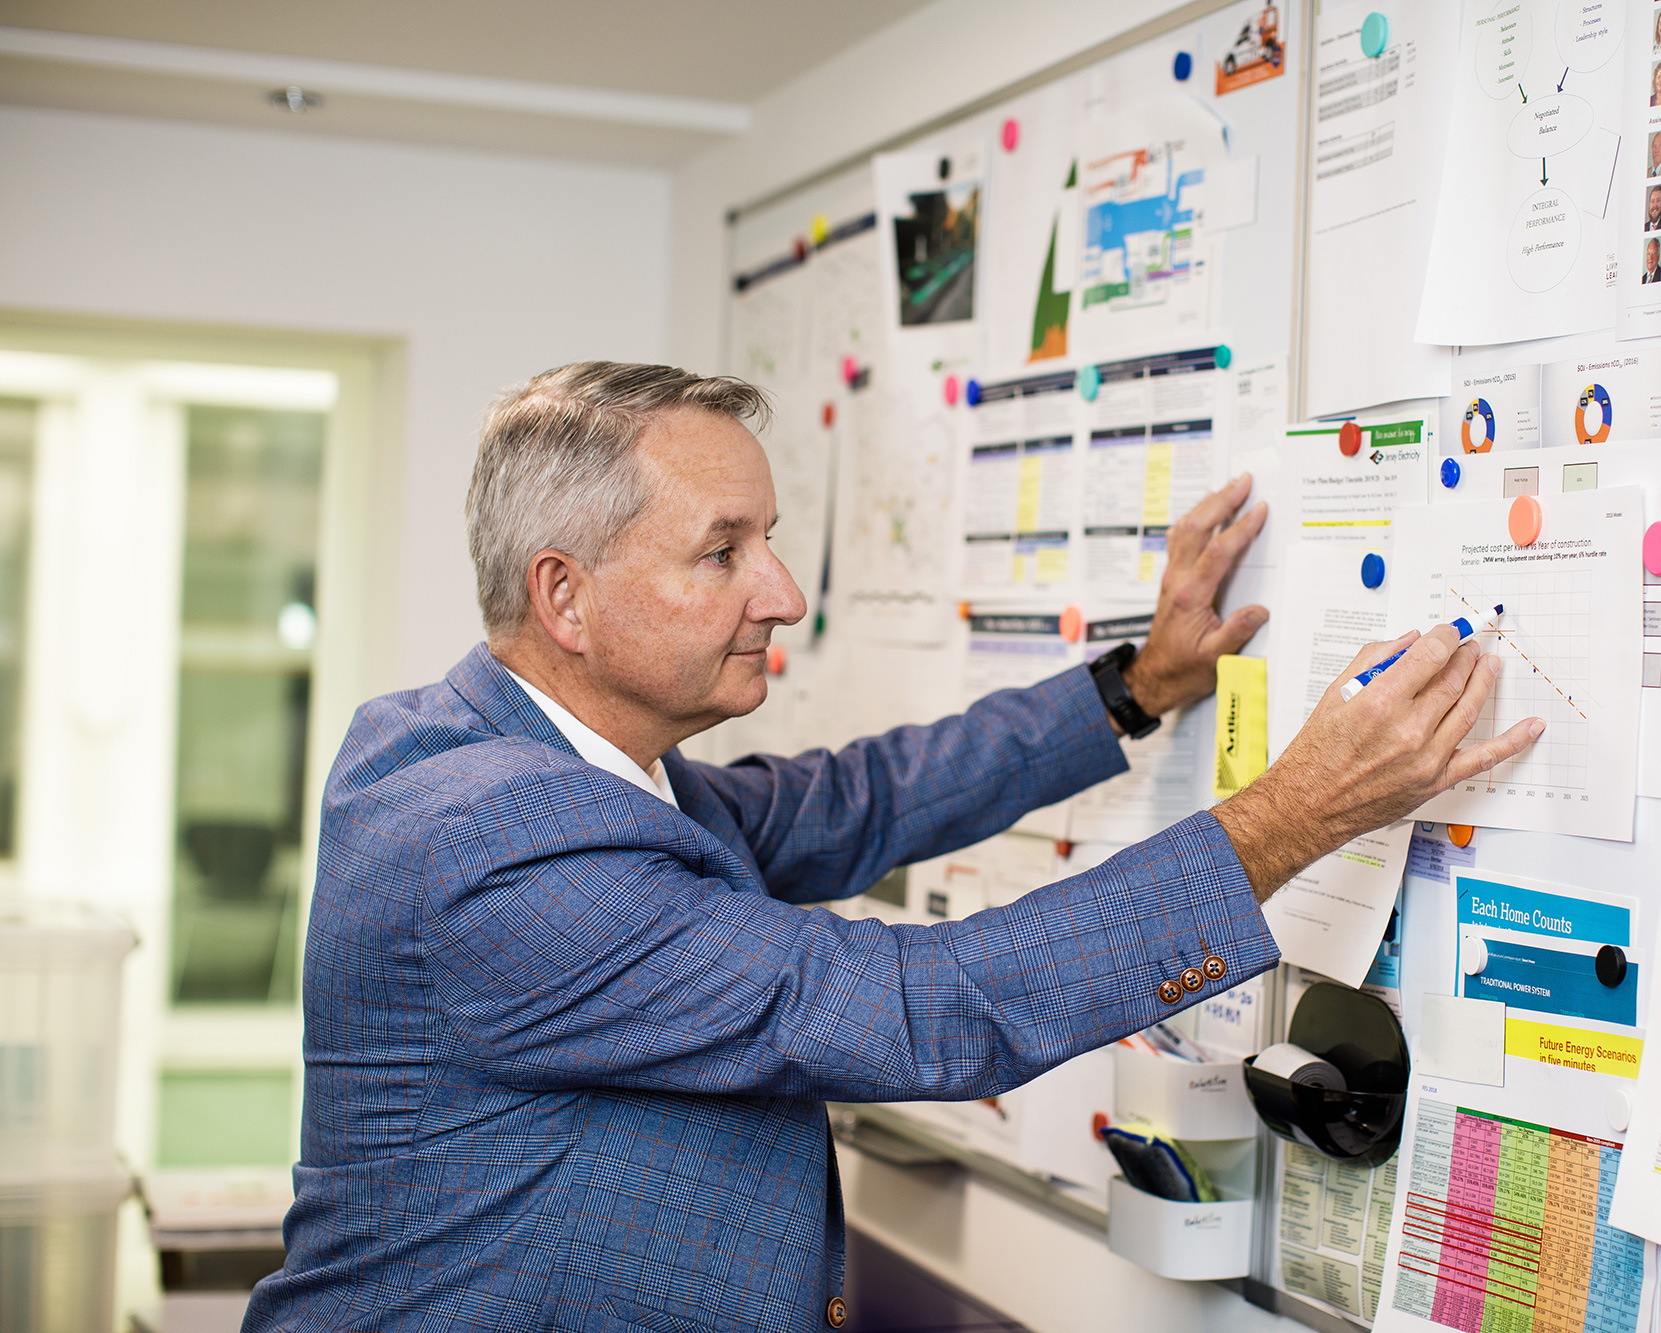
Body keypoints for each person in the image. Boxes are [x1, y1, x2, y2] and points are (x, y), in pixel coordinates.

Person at [241, 363, 1541, 1331]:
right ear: (564, 595)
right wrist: (1296, 811)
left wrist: (1134, 685)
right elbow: (932, 1006)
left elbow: (852, 801)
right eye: (723, 550)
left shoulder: (507, 756)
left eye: (771, 540)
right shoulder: (499, 852)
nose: (783, 593)